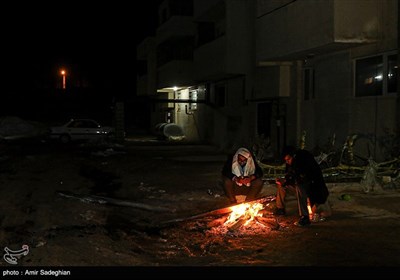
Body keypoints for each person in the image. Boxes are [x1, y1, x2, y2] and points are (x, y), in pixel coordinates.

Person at [274, 145, 330, 227]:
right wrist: (284, 180)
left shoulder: (305, 159)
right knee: (282, 186)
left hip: (312, 190)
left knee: (300, 186)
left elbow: (303, 177)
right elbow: (291, 174)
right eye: (285, 160)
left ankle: (304, 217)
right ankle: (280, 209)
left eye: (288, 159)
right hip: (300, 187)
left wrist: (287, 180)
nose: (287, 162)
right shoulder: (291, 162)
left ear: (293, 155)